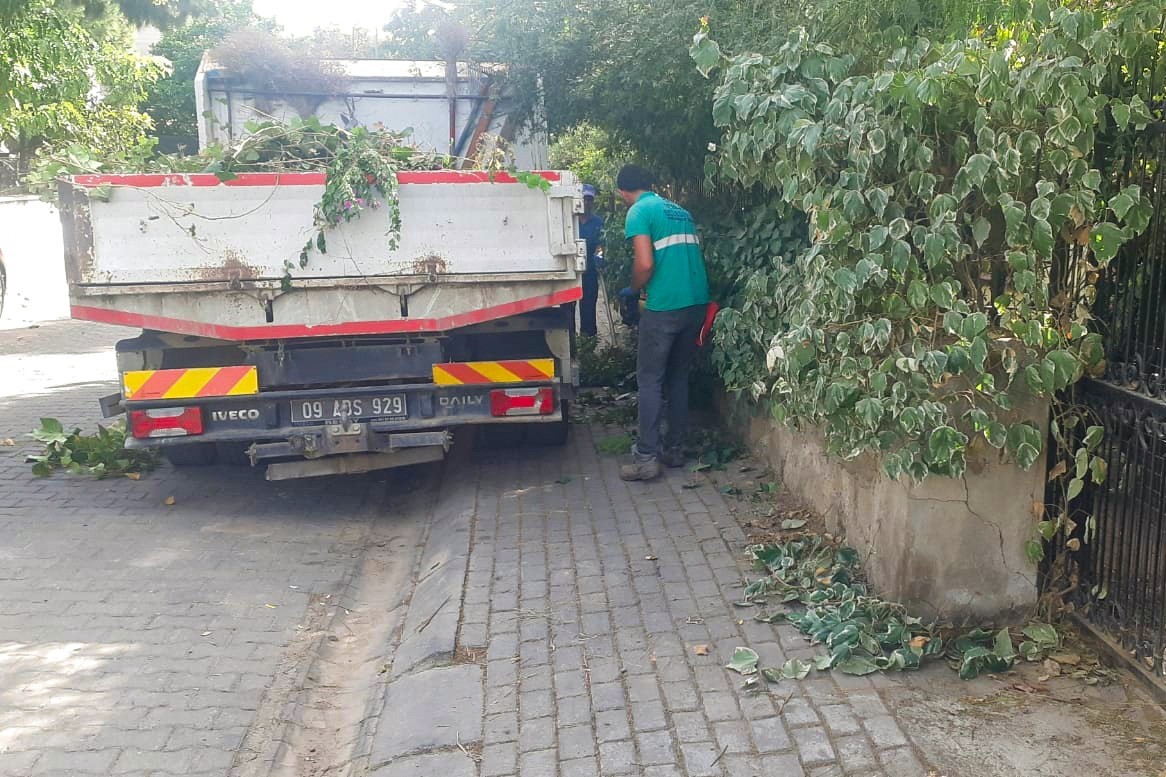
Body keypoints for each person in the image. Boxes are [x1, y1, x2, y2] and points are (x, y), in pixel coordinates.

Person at [615, 164, 710, 482]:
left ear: (623, 193)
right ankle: (674, 449)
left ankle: (645, 458)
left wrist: (633, 289)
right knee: (677, 378)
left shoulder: (639, 211)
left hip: (665, 306)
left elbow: (644, 263)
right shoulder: (679, 210)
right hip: (696, 302)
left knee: (650, 379)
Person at [578, 184, 605, 337]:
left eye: (589, 199)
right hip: (571, 271)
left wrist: (599, 256)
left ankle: (588, 340)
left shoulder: (598, 222)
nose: (586, 202)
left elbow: (600, 245)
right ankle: (570, 343)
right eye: (584, 199)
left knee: (588, 307)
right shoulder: (569, 220)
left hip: (590, 270)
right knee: (567, 308)